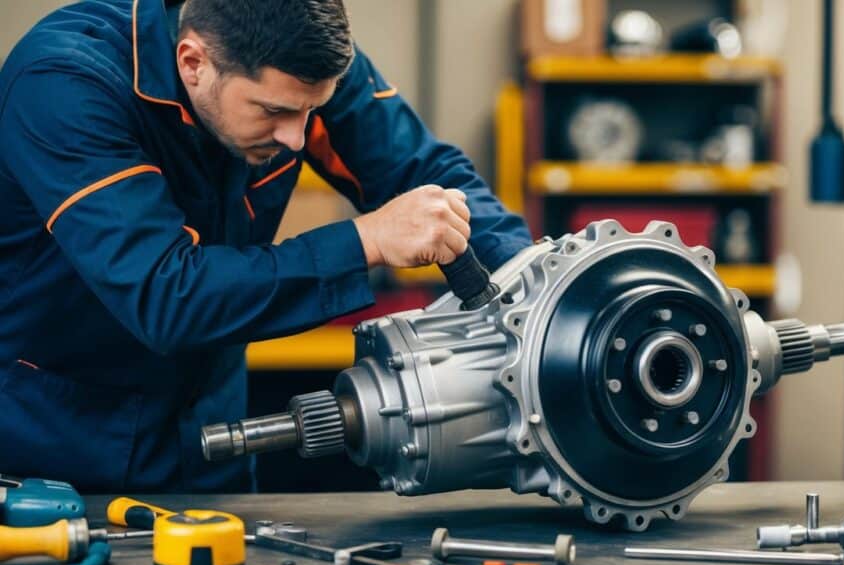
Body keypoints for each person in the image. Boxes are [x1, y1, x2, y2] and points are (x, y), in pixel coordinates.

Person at [0, 0, 531, 492]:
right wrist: (365, 240)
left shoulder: (299, 65)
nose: (297, 138)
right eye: (274, 112)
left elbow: (424, 172)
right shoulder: (65, 84)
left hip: (211, 438)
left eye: (310, 112)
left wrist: (539, 283)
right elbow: (165, 295)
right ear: (193, 63)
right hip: (59, 455)